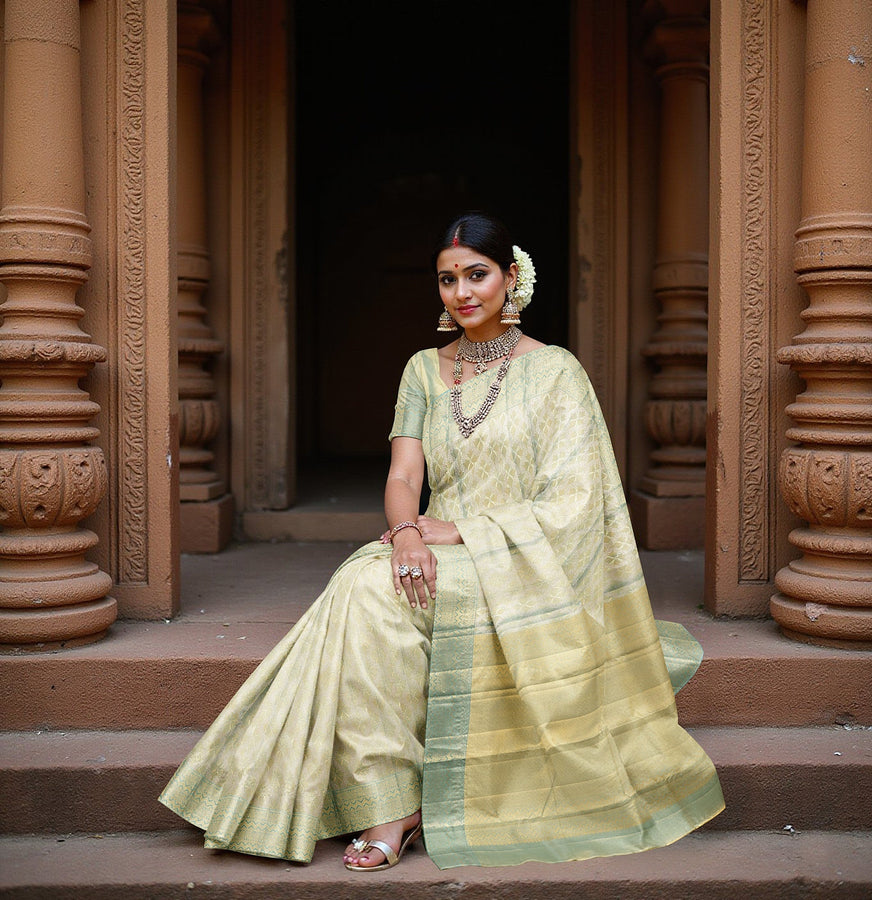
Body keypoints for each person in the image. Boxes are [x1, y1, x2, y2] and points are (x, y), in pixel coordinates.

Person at [159, 211, 724, 871]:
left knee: (368, 595)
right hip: (430, 545)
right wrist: (406, 535)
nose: (462, 292)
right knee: (362, 582)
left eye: (477, 275)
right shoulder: (423, 370)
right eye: (447, 279)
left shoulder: (556, 372)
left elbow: (577, 502)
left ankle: (382, 807)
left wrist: (465, 531)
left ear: (510, 277)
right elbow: (404, 476)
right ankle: (387, 799)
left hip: (517, 559)